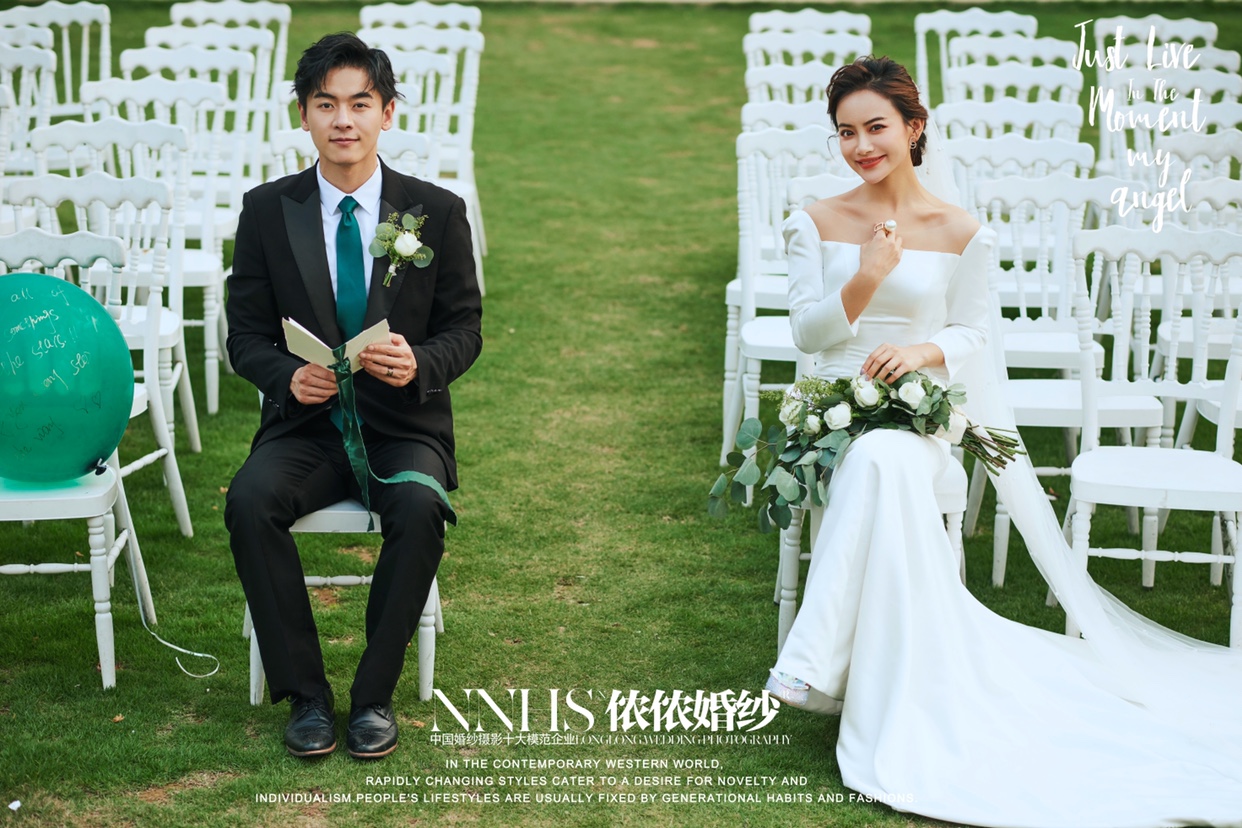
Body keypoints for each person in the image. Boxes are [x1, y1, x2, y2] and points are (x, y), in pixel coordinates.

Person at [765, 56, 1242, 827]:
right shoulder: (815, 222)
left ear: (914, 128)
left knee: (888, 457)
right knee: (875, 460)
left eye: (876, 127)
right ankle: (829, 663)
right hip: (828, 414)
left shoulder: (961, 232)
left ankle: (813, 661)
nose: (861, 146)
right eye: (845, 132)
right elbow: (807, 334)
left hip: (914, 414)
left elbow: (972, 333)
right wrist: (867, 275)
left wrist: (921, 353)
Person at [224, 33, 482, 760]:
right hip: (304, 429)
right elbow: (244, 336)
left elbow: (465, 329)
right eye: (326, 104)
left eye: (360, 103)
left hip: (403, 429)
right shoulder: (267, 210)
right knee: (249, 502)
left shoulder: (436, 211)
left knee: (420, 508)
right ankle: (306, 697)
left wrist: (418, 362)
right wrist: (286, 377)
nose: (343, 120)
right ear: (303, 114)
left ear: (387, 113)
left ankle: (372, 697)